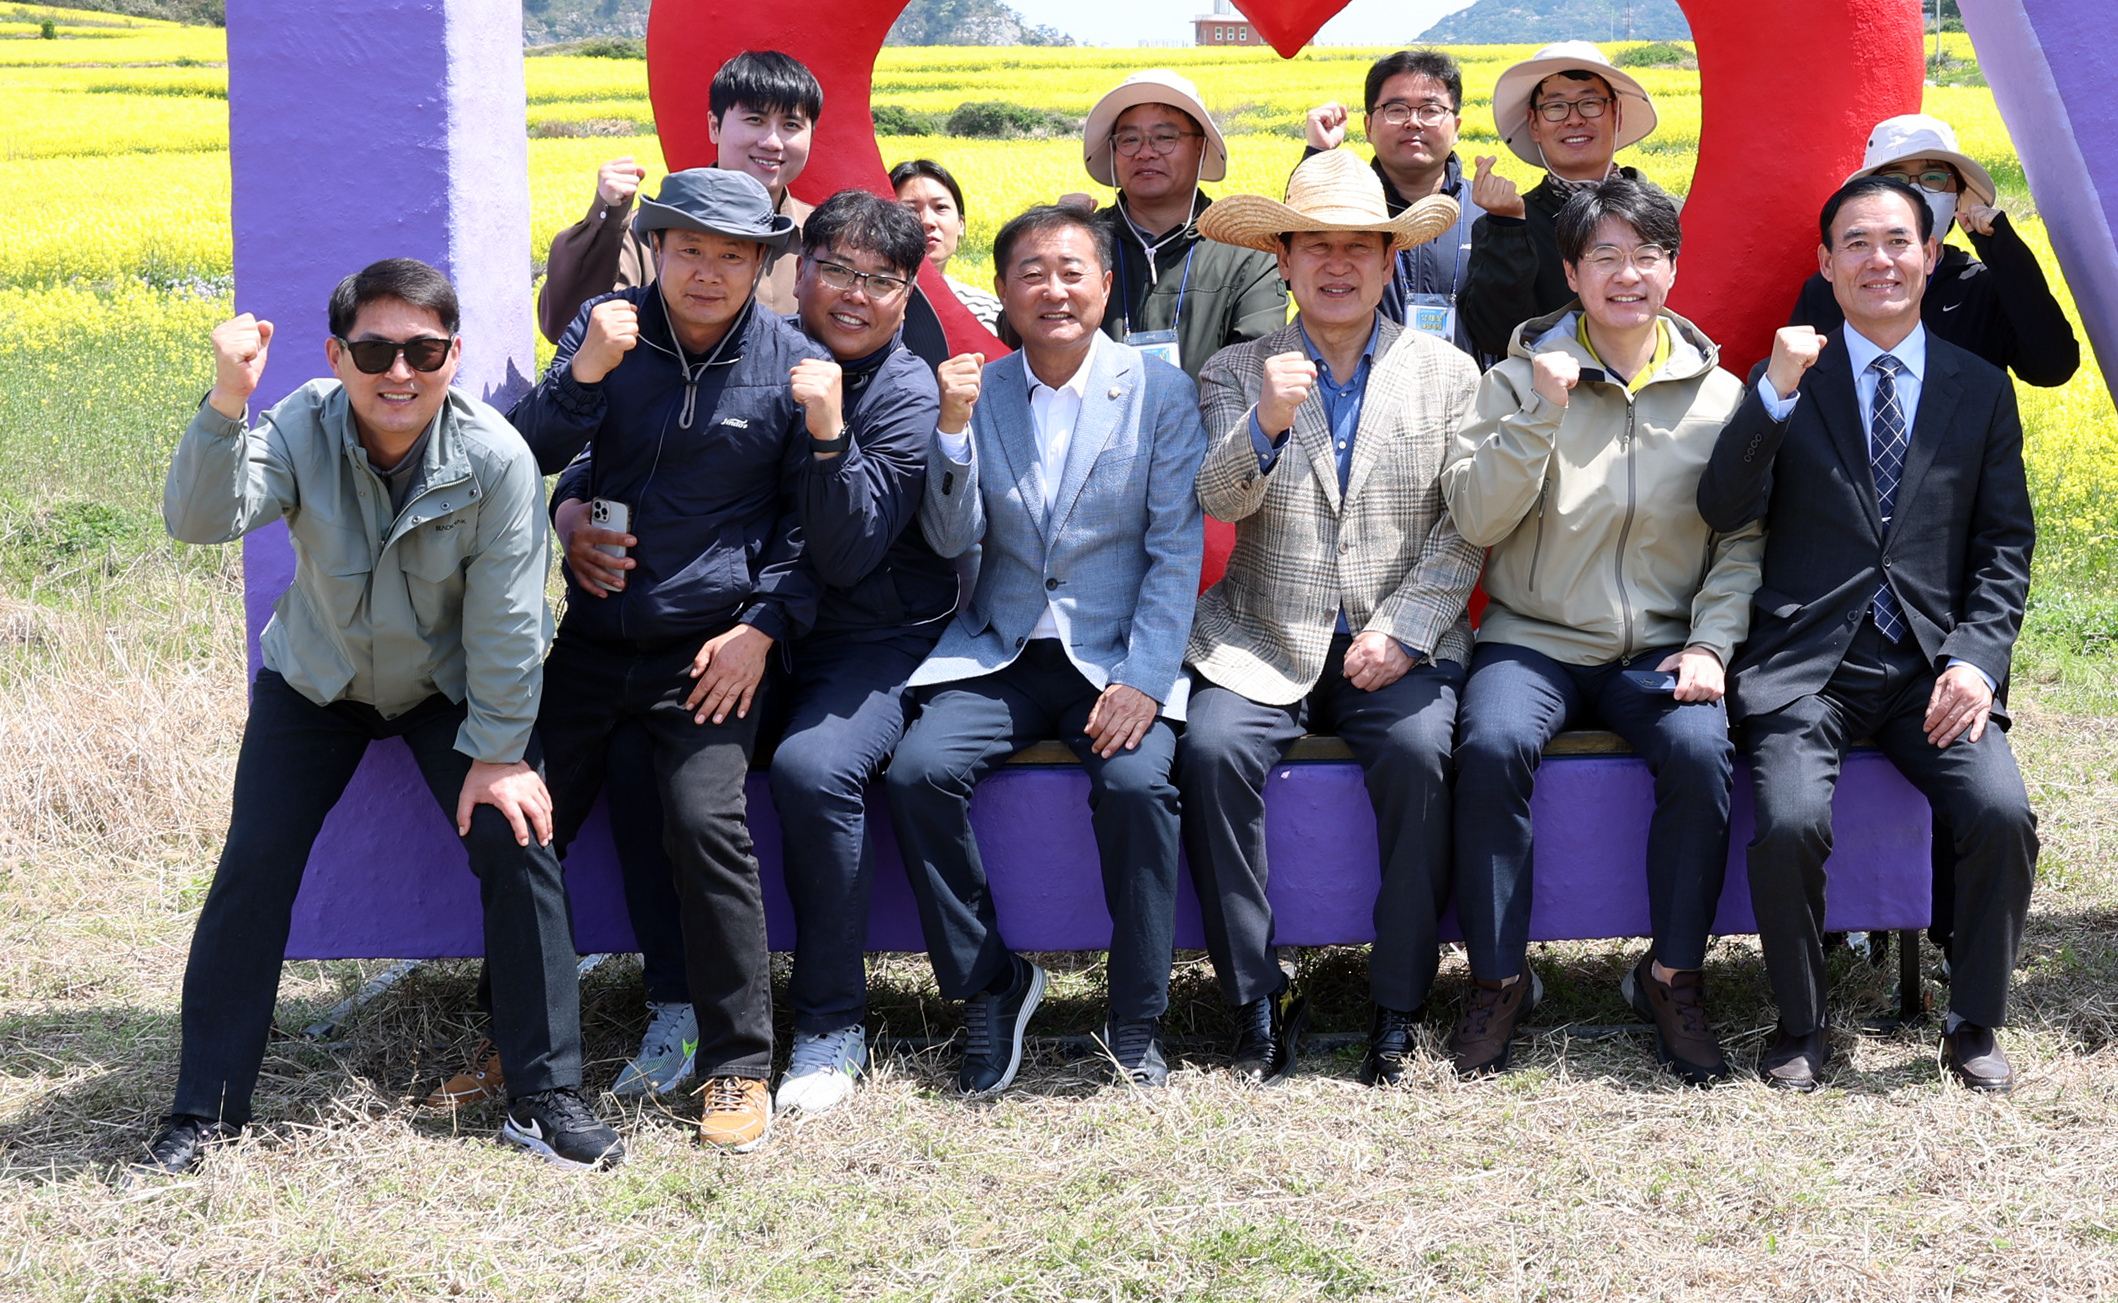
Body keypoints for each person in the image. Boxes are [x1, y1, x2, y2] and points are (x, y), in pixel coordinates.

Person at [146, 262, 622, 1175]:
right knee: (254, 863)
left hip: (443, 689)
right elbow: (201, 520)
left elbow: (511, 624)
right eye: (373, 349)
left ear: (453, 354)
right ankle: (203, 1110)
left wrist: (497, 754)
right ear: (337, 354)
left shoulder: (495, 459)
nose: (398, 372)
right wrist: (225, 399)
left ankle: (544, 1095)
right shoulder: (300, 421)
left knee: (521, 844)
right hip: (315, 684)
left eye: (424, 350)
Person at [586, 190, 959, 1118]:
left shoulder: (907, 388)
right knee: (641, 755)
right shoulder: (757, 352)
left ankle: (833, 1017)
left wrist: (830, 431)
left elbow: (845, 553)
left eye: (880, 280)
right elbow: (629, 456)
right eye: (834, 269)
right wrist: (572, 510)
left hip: (864, 640)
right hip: (755, 630)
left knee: (810, 769)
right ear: (801, 273)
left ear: (908, 295)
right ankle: (674, 1004)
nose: (853, 295)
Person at [1699, 176, 2039, 1095]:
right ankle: (1801, 1023)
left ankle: (1972, 1022)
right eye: (1855, 243)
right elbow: (1721, 505)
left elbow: (2004, 543)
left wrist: (1976, 658)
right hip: (1808, 666)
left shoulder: (1978, 388)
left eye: (1898, 241)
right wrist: (1769, 393)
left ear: (1930, 256)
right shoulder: (1788, 379)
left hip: (1931, 667)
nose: (1877, 260)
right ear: (1825, 263)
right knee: (1792, 823)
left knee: (2001, 815)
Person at [509, 169, 825, 1153]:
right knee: (524, 825)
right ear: (654, 249)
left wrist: (761, 627)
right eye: (689, 248)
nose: (708, 270)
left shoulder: (795, 364)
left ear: (762, 264)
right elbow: (525, 456)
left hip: (715, 649)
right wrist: (586, 376)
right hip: (596, 638)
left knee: (703, 821)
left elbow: (813, 530)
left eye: (734, 254)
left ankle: (736, 1065)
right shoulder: (605, 332)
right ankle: (519, 1047)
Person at [1442, 175, 1764, 1085]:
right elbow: (1474, 517)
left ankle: (1669, 975)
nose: (1628, 274)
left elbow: (1741, 541)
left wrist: (1708, 644)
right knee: (1493, 742)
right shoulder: (1510, 381)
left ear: (1673, 267)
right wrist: (1540, 411)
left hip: (1664, 642)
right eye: (1605, 258)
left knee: (1702, 753)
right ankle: (1501, 979)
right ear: (1573, 273)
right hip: (1534, 636)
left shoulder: (1719, 395)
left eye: (1646, 255)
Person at [885, 205, 1206, 1094]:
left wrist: (1145, 679)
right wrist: (948, 436)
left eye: (1072, 270)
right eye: (1031, 272)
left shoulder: (1159, 391)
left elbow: (1175, 548)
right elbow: (953, 540)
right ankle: (992, 983)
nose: (1053, 289)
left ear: (1107, 284)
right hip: (1001, 650)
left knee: (1139, 786)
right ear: (1004, 293)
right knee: (917, 775)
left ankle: (1136, 1018)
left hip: (1112, 655)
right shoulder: (981, 392)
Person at [1178, 151, 1481, 1086]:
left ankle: (1399, 1000)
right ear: (1283, 258)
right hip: (1261, 635)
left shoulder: (1445, 370)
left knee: (1422, 757)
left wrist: (1405, 630)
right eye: (1317, 246)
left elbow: (1466, 526)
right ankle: (1254, 997)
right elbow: (1218, 501)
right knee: (1211, 752)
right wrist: (1264, 422)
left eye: (1361, 246)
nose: (1338, 265)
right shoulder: (1238, 370)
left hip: (1398, 636)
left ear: (1392, 262)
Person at [540, 49, 822, 342]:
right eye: (755, 120)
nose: (772, 142)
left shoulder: (823, 238)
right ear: (715, 126)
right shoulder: (646, 232)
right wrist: (606, 217)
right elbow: (566, 328)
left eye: (791, 125)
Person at [1792, 115, 2077, 390]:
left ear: (1957, 196)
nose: (1916, 191)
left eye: (1933, 178)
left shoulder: (1979, 286)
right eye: (1896, 180)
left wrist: (2004, 253)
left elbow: (2052, 368)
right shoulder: (1831, 287)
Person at [1078, 68, 1287, 379]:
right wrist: (1054, 241)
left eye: (1165, 137)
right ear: (1113, 152)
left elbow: (1254, 372)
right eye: (1129, 139)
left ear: (1201, 148)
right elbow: (1023, 344)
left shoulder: (1248, 255)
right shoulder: (1081, 245)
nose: (1145, 152)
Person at [1455, 42, 1655, 360]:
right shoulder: (1507, 225)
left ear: (1617, 116)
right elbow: (1494, 336)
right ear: (1534, 125)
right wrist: (1507, 228)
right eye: (1556, 107)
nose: (1574, 120)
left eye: (1590, 103)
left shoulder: (1665, 214)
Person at [1298, 47, 1483, 355]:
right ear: (1368, 126)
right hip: (1364, 394)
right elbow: (1296, 272)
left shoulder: (1489, 212)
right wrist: (1317, 155)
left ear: (1457, 128)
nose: (1413, 122)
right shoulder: (1344, 207)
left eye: (1430, 110)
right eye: (1396, 110)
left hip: (1468, 396)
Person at [893, 156, 1003, 337]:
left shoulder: (987, 311)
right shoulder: (867, 303)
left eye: (941, 207)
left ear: (961, 224)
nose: (927, 221)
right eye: (910, 210)